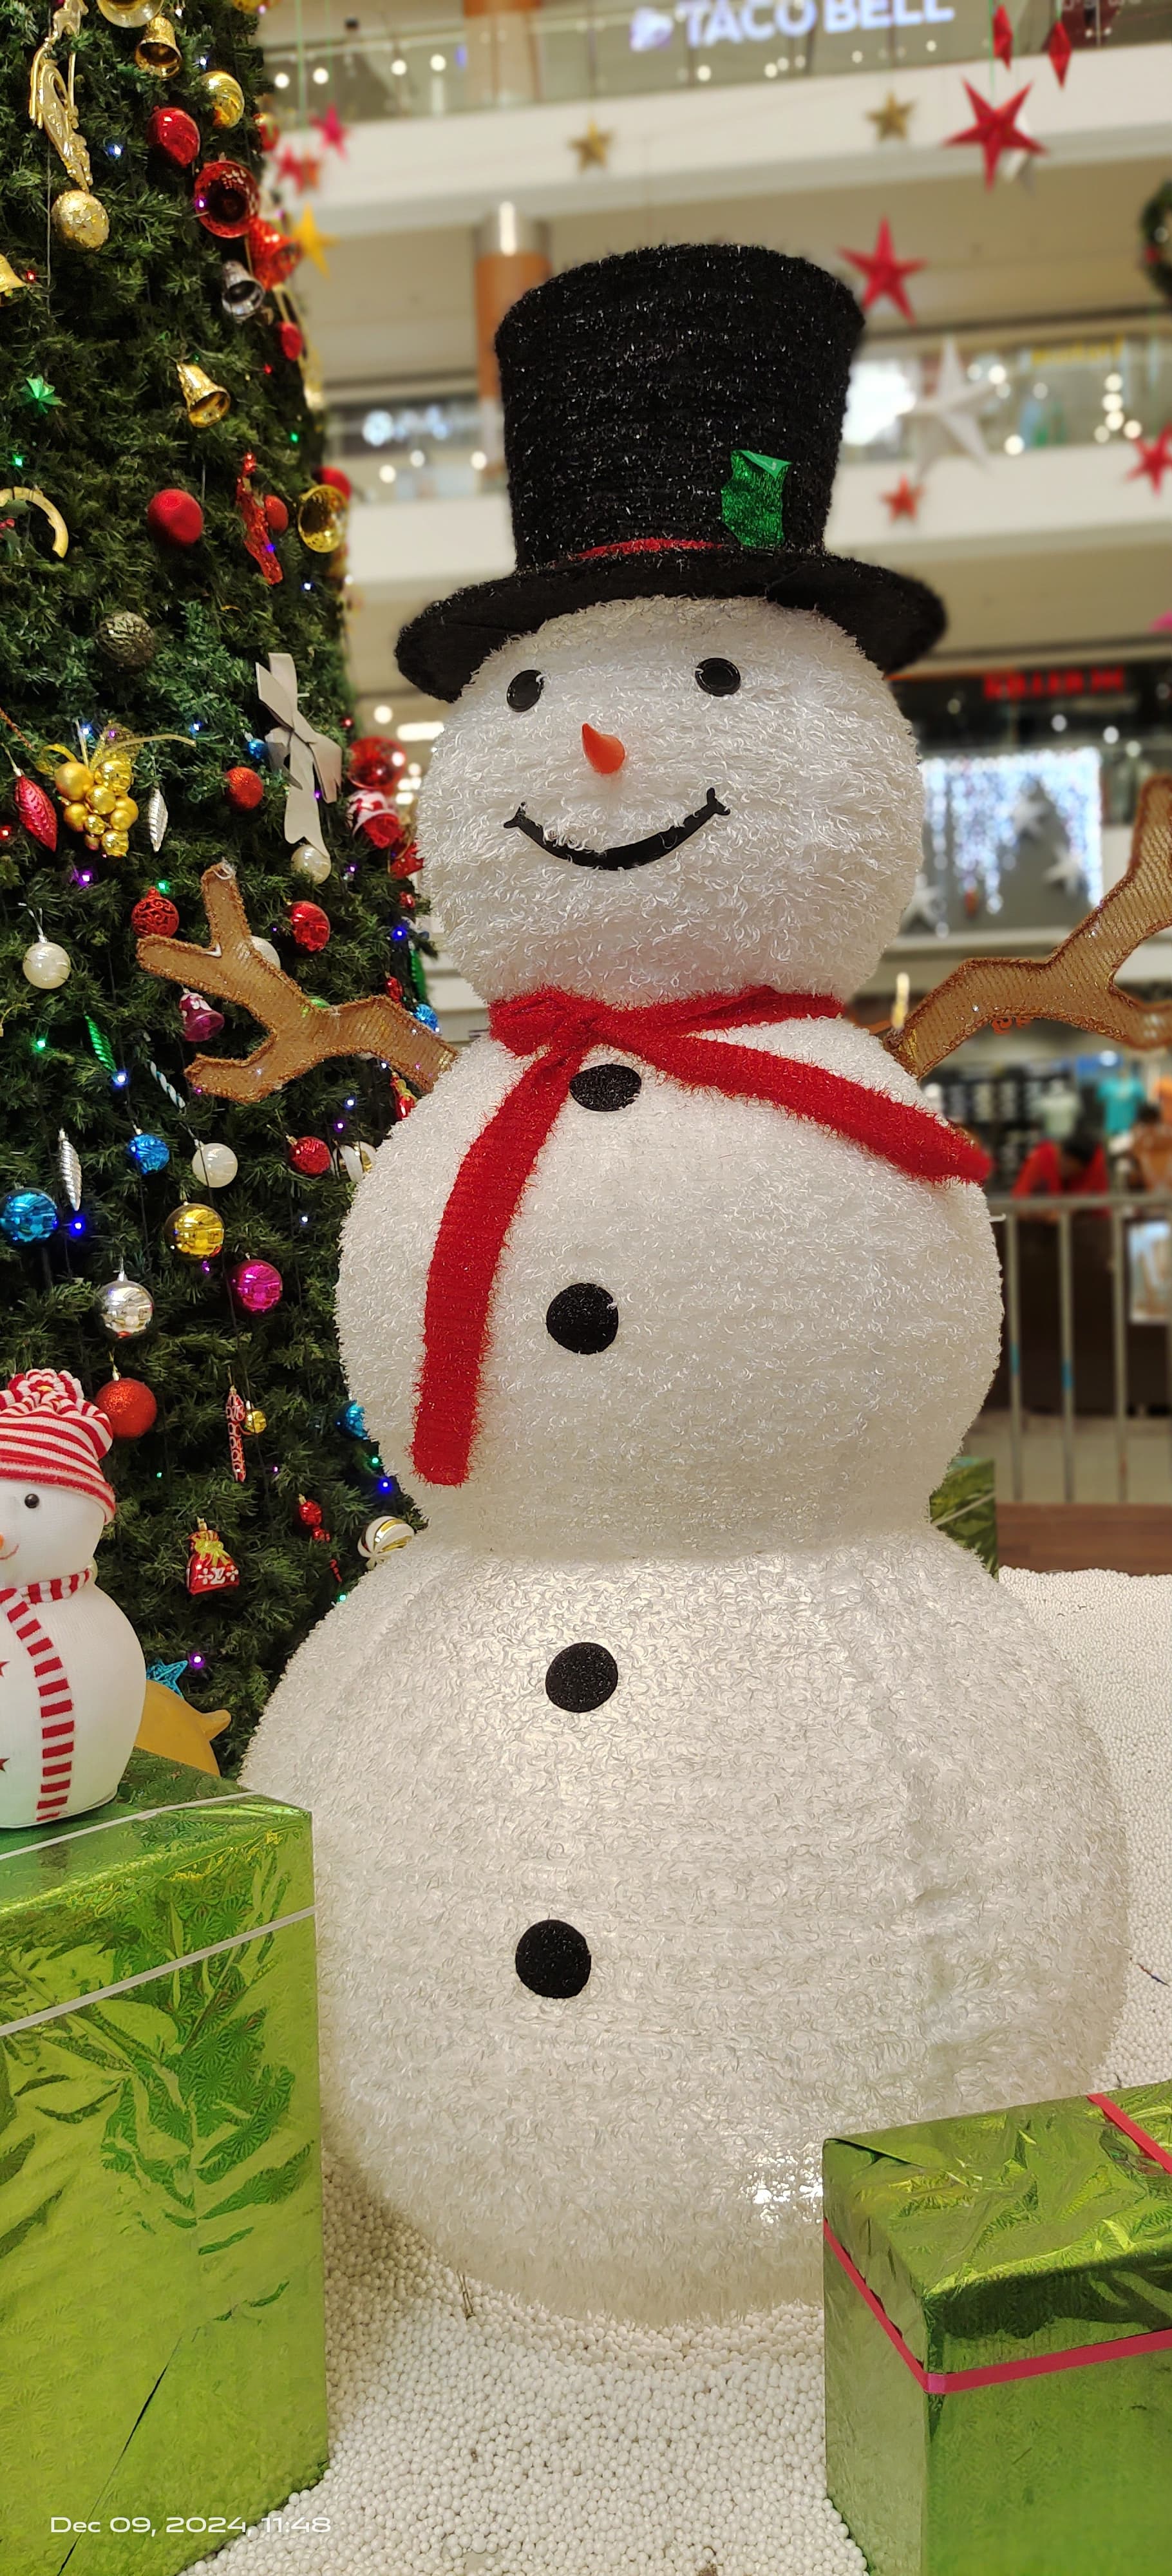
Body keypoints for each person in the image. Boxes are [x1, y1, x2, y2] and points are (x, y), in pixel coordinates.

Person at [1012, 1123, 1110, 1201]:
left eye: (1070, 1166)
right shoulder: (1045, 1156)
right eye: (1065, 1161)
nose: (1065, 1167)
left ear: (1082, 1168)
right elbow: (1019, 1201)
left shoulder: (1094, 1164)